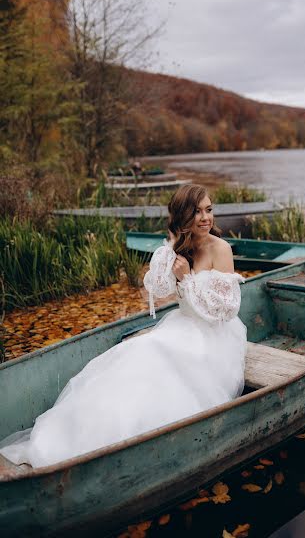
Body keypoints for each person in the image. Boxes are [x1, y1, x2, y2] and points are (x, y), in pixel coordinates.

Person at [0, 184, 247, 468]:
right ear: (183, 217)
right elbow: (160, 288)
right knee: (140, 352)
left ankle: (138, 435)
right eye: (196, 212)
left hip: (213, 336)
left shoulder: (221, 249)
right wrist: (172, 252)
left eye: (209, 210)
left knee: (159, 351)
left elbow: (225, 310)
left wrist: (188, 278)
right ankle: (91, 433)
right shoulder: (179, 249)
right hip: (181, 326)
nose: (205, 218)